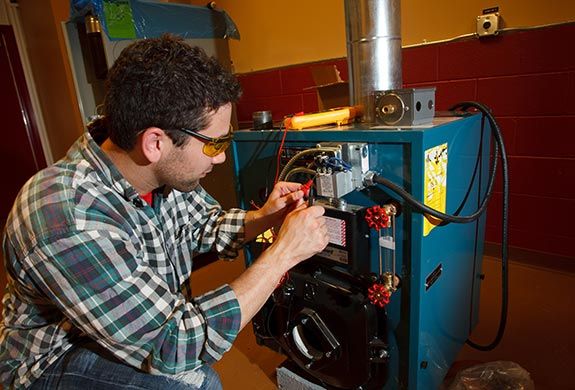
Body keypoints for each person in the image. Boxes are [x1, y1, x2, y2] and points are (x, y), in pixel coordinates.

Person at [0, 34, 329, 389]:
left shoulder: (158, 174)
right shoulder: (67, 216)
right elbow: (171, 344)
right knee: (194, 383)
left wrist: (265, 217)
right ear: (155, 142)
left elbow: (204, 224)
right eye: (214, 144)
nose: (219, 158)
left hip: (122, 325)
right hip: (54, 357)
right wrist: (283, 254)